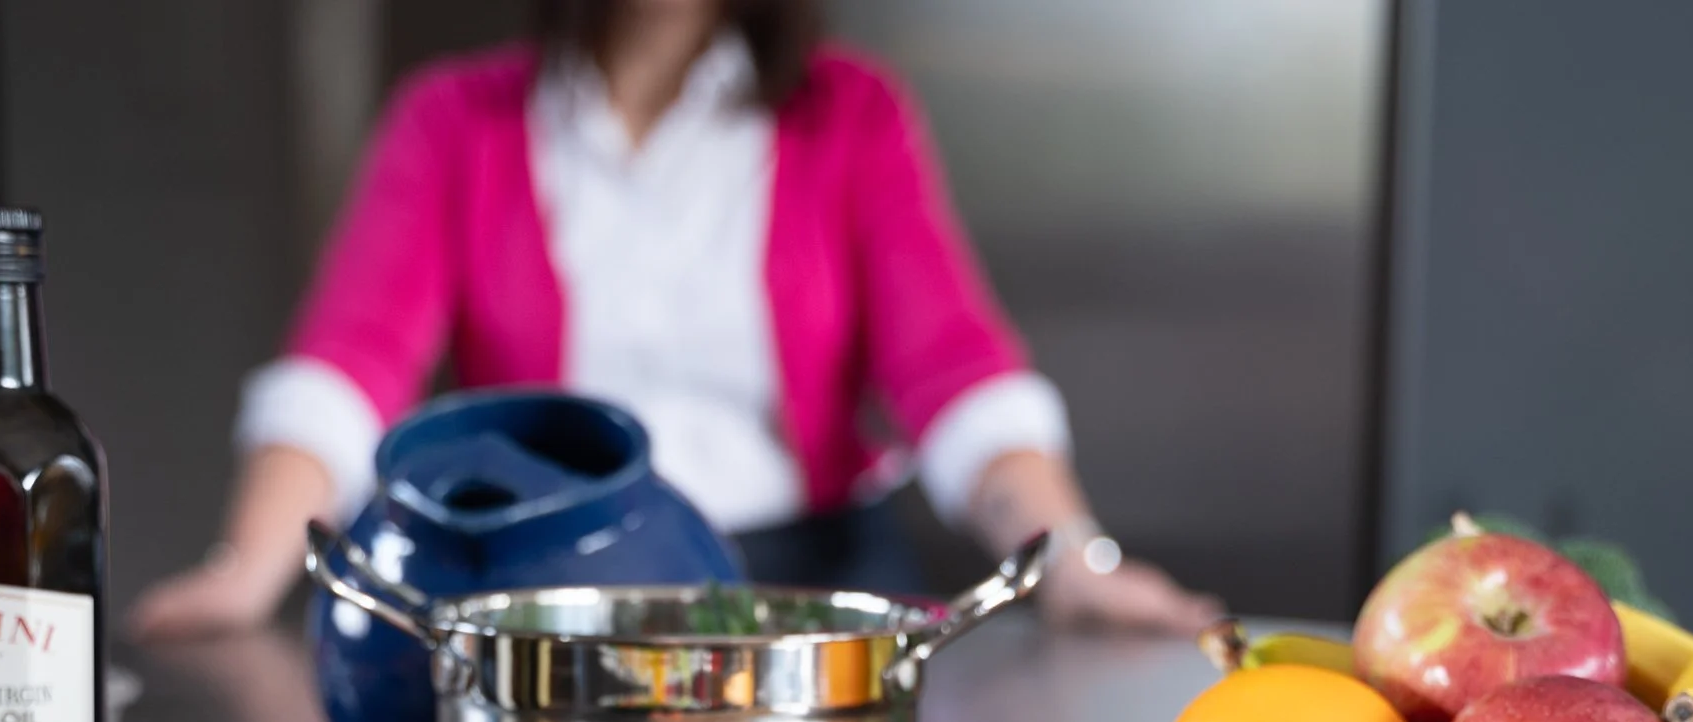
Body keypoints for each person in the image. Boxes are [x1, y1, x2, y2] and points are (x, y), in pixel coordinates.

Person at [128, 0, 1220, 640]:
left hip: (806, 600)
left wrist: (1073, 560)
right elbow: (345, 368)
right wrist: (247, 568)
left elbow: (956, 373)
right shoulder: (453, 121)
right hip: (549, 610)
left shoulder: (851, 115)